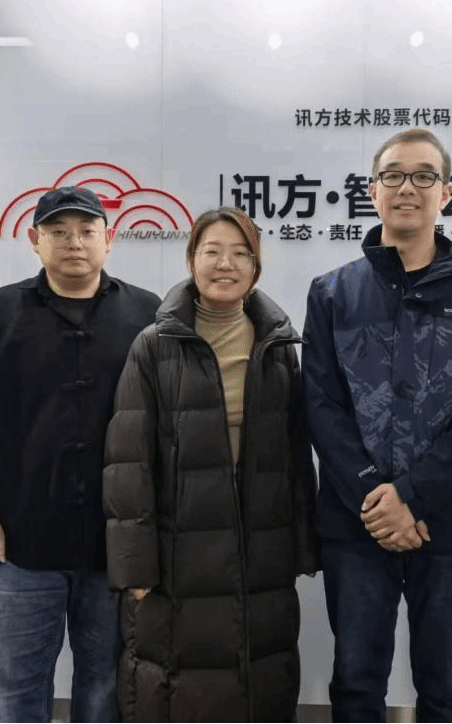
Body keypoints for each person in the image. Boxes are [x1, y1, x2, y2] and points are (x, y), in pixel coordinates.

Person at [302, 128, 452, 722]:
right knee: (356, 684)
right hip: (357, 521)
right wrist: (379, 497)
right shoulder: (333, 292)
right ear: (372, 190)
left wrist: (413, 496)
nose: (407, 188)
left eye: (424, 176)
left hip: (451, 520)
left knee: (445, 689)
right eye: (393, 175)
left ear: (445, 193)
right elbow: (321, 406)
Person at [0, 186, 160, 723]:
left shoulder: (146, 312)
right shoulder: (1, 311)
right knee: (13, 676)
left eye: (87, 231)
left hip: (113, 536)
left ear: (109, 240)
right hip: (24, 532)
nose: (74, 242)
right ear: (34, 240)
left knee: (106, 678)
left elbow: (163, 428)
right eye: (59, 232)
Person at [103, 206, 319, 722]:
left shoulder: (277, 344)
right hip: (179, 551)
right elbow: (128, 460)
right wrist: (134, 563)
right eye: (213, 251)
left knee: (259, 674)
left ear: (256, 265)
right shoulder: (155, 345)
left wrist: (302, 542)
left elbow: (295, 453)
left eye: (241, 253)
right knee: (177, 683)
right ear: (191, 259)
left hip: (261, 548)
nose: (226, 264)